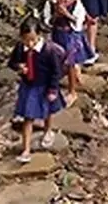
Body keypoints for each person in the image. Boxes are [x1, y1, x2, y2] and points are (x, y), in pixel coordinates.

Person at [8, 17, 66, 163]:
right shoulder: (21, 48)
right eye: (27, 40)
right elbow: (11, 62)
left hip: (45, 86)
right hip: (29, 86)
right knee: (28, 117)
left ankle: (48, 130)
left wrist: (53, 88)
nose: (30, 44)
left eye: (33, 39)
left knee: (47, 111)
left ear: (40, 35)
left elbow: (56, 71)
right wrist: (19, 67)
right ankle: (26, 149)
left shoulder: (48, 50)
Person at [42, 0, 96, 97]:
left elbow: (79, 19)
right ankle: (57, 84)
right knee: (57, 58)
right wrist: (55, 15)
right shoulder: (51, 3)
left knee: (70, 61)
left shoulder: (74, 1)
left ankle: (72, 91)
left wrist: (67, 14)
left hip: (70, 34)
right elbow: (47, 21)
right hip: (57, 33)